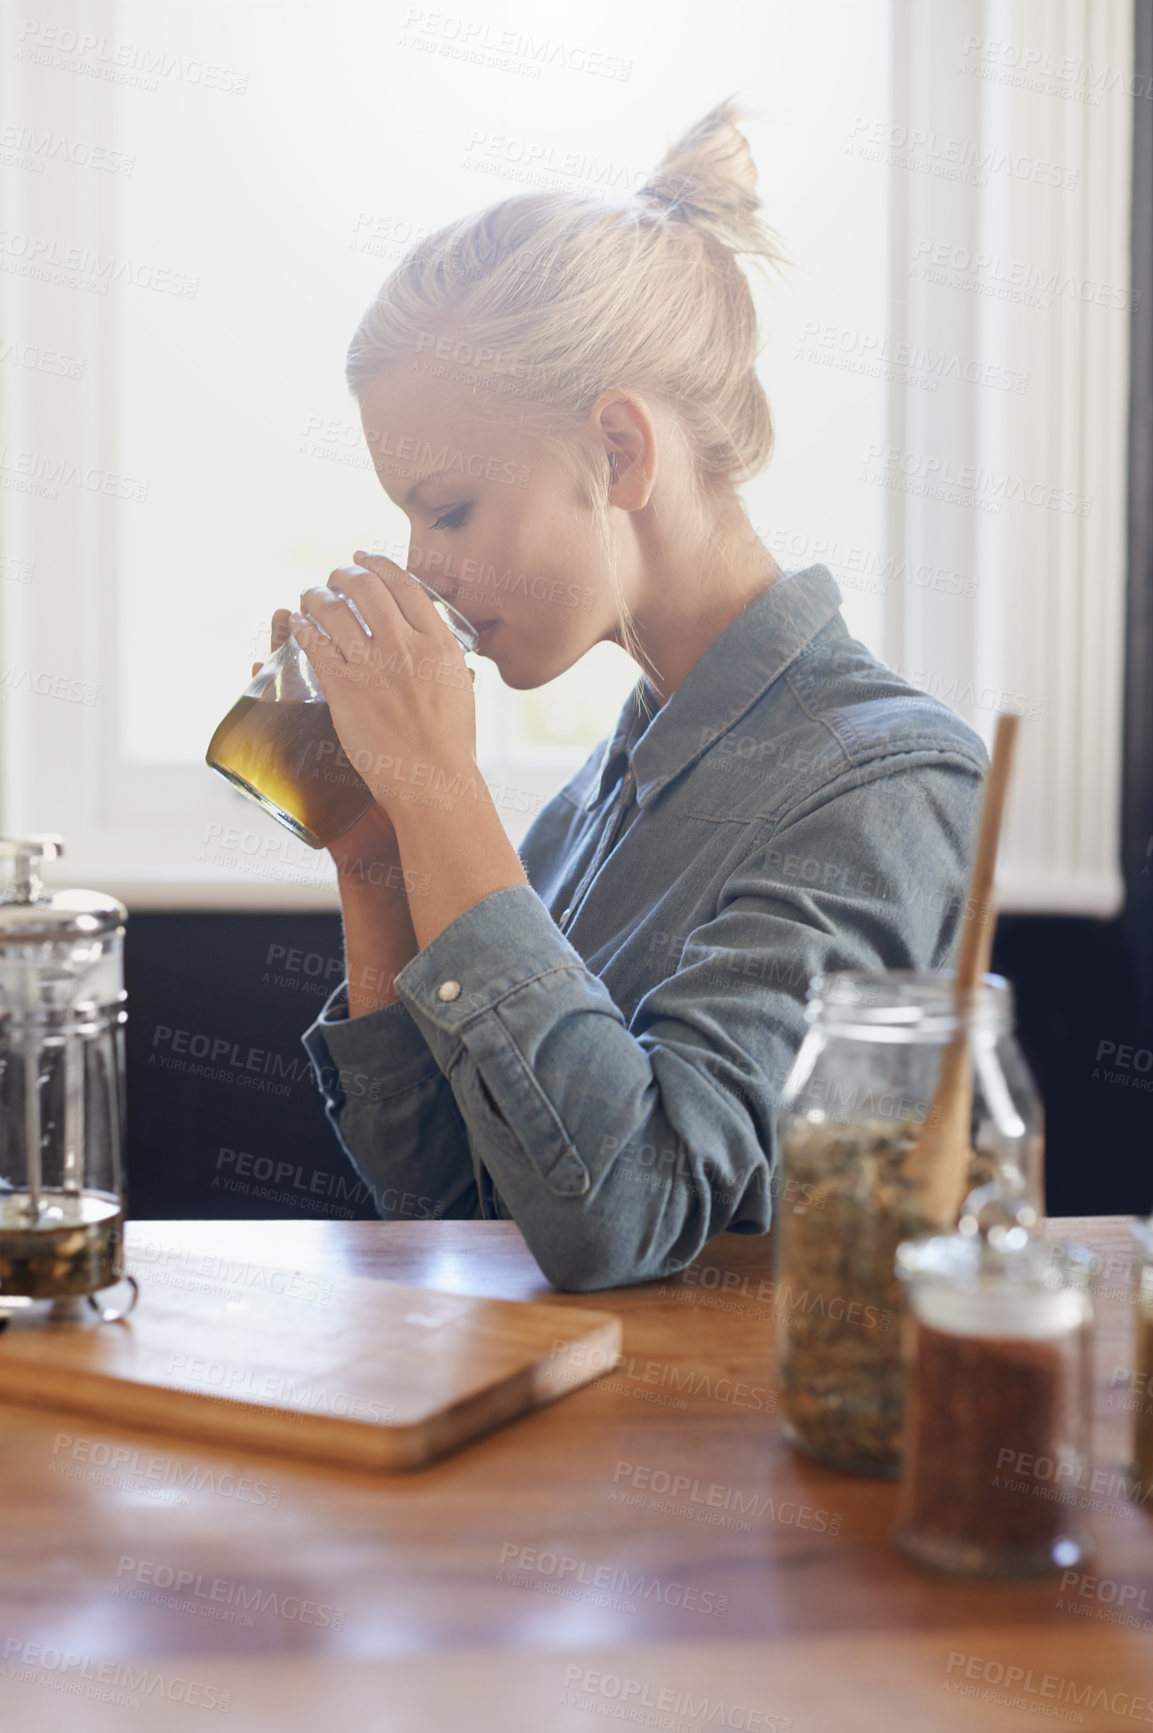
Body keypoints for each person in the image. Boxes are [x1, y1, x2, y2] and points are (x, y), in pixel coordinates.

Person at [281, 101, 986, 1291]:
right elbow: (453, 1205)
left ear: (617, 449)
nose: (425, 565)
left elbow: (627, 1210)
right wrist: (377, 854)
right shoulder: (597, 801)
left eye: (447, 508)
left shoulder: (890, 781)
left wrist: (441, 787)